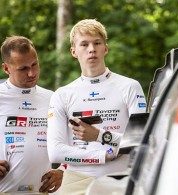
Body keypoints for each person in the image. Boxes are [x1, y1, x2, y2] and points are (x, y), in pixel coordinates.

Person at [47, 19, 147, 195]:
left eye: (97, 43)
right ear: (73, 52)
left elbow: (140, 140)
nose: (91, 49)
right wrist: (101, 157)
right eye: (84, 44)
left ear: (105, 49)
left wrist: (100, 135)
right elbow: (55, 152)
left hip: (120, 179)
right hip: (76, 180)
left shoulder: (130, 86)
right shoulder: (62, 94)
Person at [0, 35, 63, 194]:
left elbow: (75, 140)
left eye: (34, 65)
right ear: (6, 68)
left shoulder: (52, 98)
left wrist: (63, 170)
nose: (31, 73)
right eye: (23, 69)